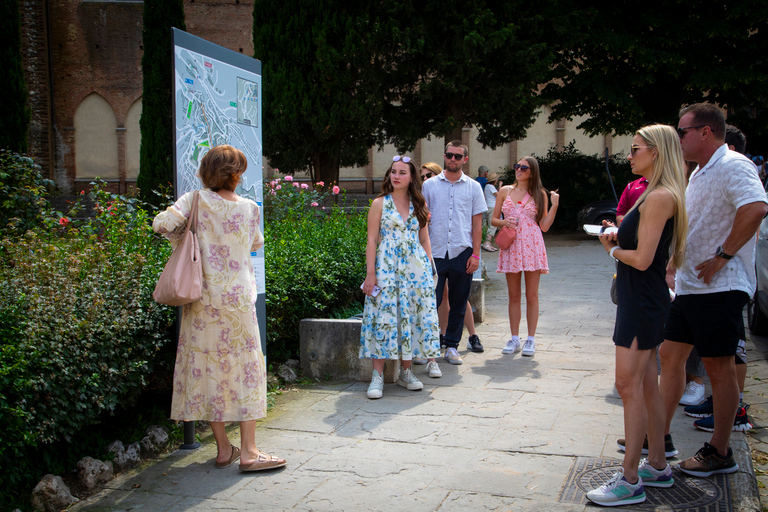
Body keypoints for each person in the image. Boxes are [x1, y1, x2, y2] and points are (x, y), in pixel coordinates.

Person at [153, 145, 286, 472]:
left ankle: (224, 449)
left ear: (205, 171)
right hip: (239, 298)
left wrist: (187, 232)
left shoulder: (194, 200)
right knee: (246, 369)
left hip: (203, 300)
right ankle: (250, 452)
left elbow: (161, 225)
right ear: (236, 174)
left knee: (209, 369)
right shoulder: (250, 208)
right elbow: (255, 243)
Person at [658, 103, 767, 477]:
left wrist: (724, 254)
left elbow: (755, 208)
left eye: (682, 131)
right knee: (670, 356)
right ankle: (657, 436)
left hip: (721, 287)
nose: (678, 138)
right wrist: (676, 258)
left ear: (706, 132)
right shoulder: (699, 172)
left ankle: (720, 452)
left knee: (719, 369)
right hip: (692, 288)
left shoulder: (734, 165)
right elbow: (698, 221)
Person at [586, 125, 688, 506]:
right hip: (643, 298)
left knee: (628, 386)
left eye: (635, 149)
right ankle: (657, 463)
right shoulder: (656, 193)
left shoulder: (659, 196)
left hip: (641, 300)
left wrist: (609, 248)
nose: (629, 156)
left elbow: (644, 260)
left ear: (656, 152)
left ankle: (630, 478)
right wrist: (618, 238)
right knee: (646, 385)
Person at [360, 156, 441, 399]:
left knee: (411, 316)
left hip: (415, 270)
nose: (396, 176)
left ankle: (406, 373)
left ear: (411, 177)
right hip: (386, 268)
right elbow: (372, 240)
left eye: (402, 172)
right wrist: (370, 274)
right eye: (393, 171)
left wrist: (427, 267)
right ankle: (377, 376)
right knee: (383, 316)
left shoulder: (419, 203)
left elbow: (424, 238)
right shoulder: (379, 204)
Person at [422, 141, 486, 365]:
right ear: (444, 156)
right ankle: (427, 348)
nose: (453, 159)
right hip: (434, 251)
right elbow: (422, 220)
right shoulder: (429, 186)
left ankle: (451, 347)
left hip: (462, 251)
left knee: (459, 302)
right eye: (449, 155)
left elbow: (477, 224)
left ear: (465, 160)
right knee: (431, 301)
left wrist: (476, 254)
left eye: (458, 156)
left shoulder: (473, 187)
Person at [492, 156, 559, 357]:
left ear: (532, 171)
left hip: (532, 245)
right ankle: (514, 338)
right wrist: (505, 223)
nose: (518, 170)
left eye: (523, 167)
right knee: (513, 295)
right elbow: (494, 219)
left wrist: (554, 204)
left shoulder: (540, 193)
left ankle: (531, 339)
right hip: (511, 245)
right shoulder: (505, 191)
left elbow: (545, 226)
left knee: (531, 295)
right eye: (517, 166)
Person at [482, 172, 501, 252]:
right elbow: (499, 195)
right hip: (492, 207)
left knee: (489, 225)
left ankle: (486, 243)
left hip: (488, 206)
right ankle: (487, 243)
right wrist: (500, 186)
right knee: (492, 225)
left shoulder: (487, 186)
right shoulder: (490, 187)